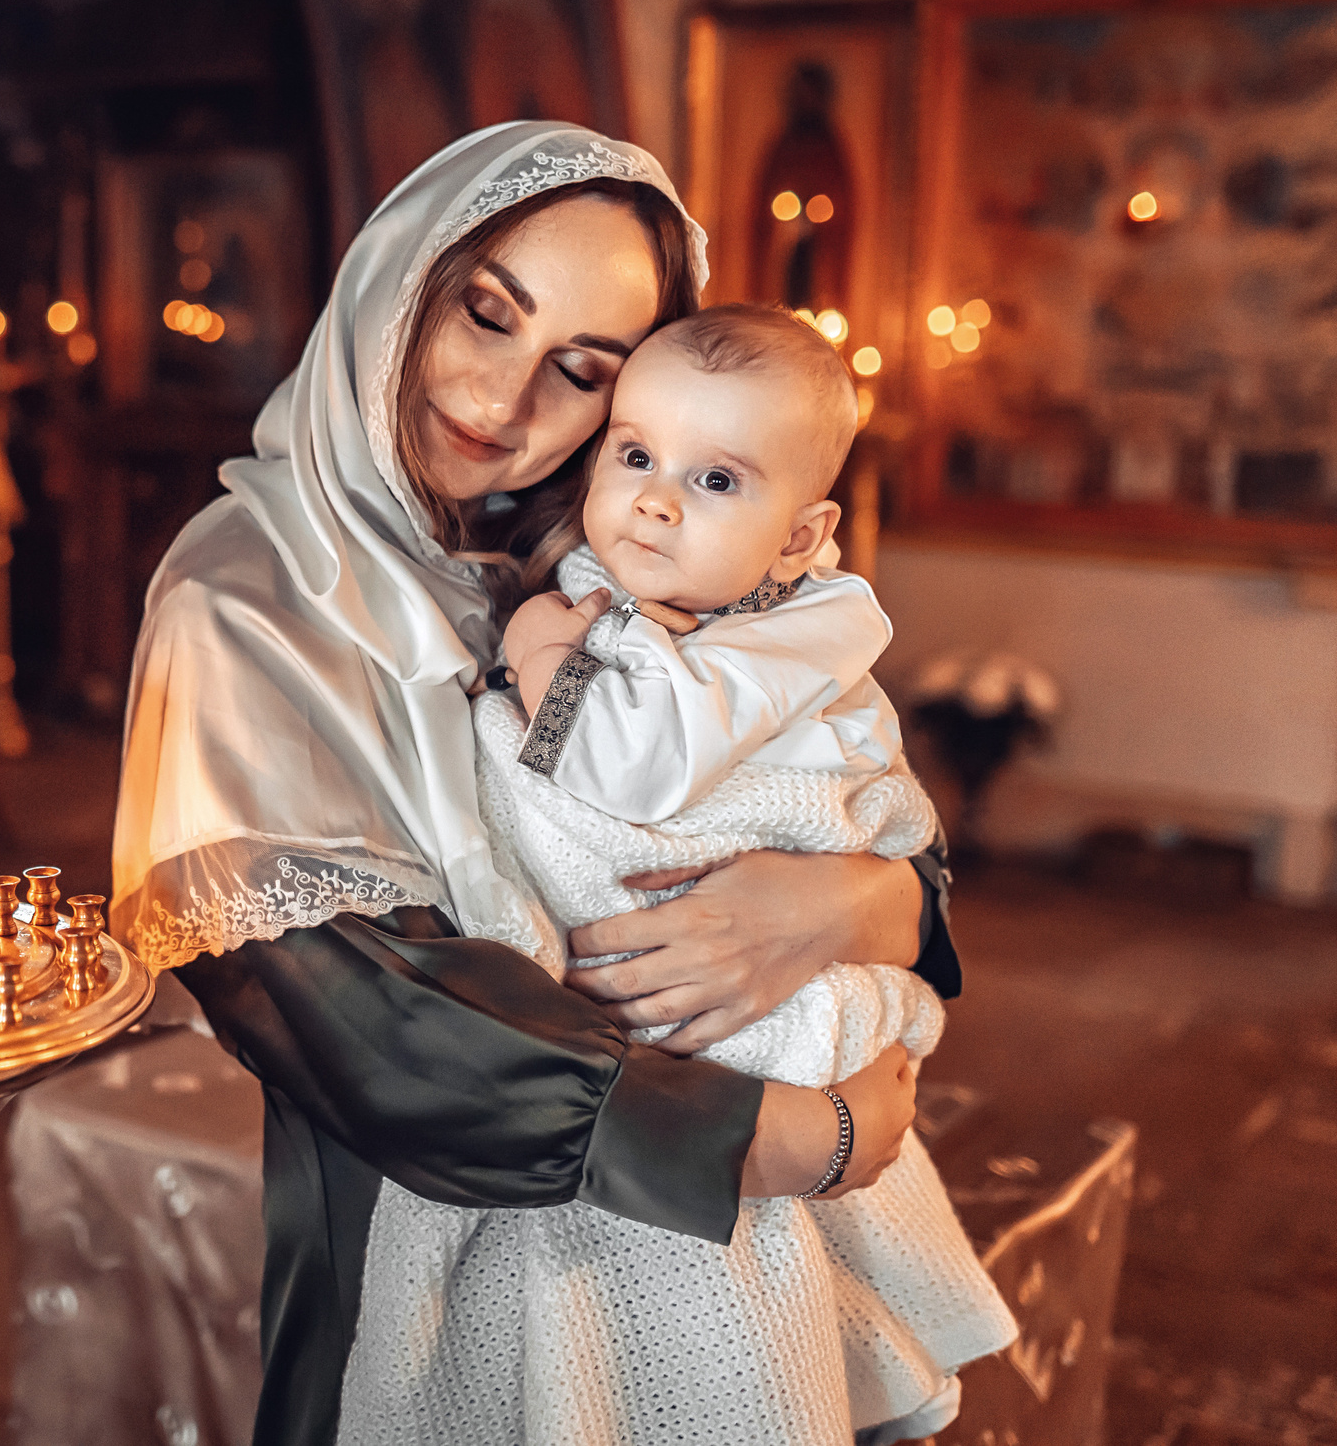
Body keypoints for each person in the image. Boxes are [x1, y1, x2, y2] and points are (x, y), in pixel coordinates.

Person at [111, 123, 962, 1446]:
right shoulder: (243, 597)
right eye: (486, 313)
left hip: (716, 1256)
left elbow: (837, 780)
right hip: (416, 1256)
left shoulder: (594, 563)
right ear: (401, 271)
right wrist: (807, 1135)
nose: (505, 402)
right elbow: (372, 1028)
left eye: (580, 375)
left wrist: (859, 907)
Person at [333, 306, 1014, 1444]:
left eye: (714, 480)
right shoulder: (636, 575)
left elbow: (639, 778)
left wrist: (541, 648)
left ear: (799, 538)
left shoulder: (805, 627)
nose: (653, 500)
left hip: (728, 1002)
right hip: (595, 1067)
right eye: (637, 455)